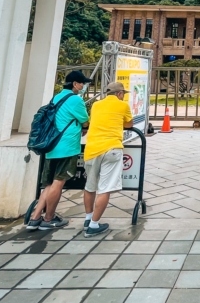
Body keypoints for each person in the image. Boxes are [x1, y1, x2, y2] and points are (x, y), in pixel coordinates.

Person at [26, 70, 91, 230]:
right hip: (66, 147)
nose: (83, 86)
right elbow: (85, 120)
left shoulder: (56, 97)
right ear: (75, 84)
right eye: (82, 83)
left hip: (51, 146)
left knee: (48, 184)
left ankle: (34, 219)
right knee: (58, 182)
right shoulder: (75, 100)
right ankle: (49, 219)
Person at [82, 81, 133, 237]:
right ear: (118, 94)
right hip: (111, 149)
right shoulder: (123, 106)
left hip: (91, 150)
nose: (123, 96)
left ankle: (88, 218)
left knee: (90, 187)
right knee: (105, 189)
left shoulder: (96, 105)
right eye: (123, 93)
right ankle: (94, 225)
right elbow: (129, 124)